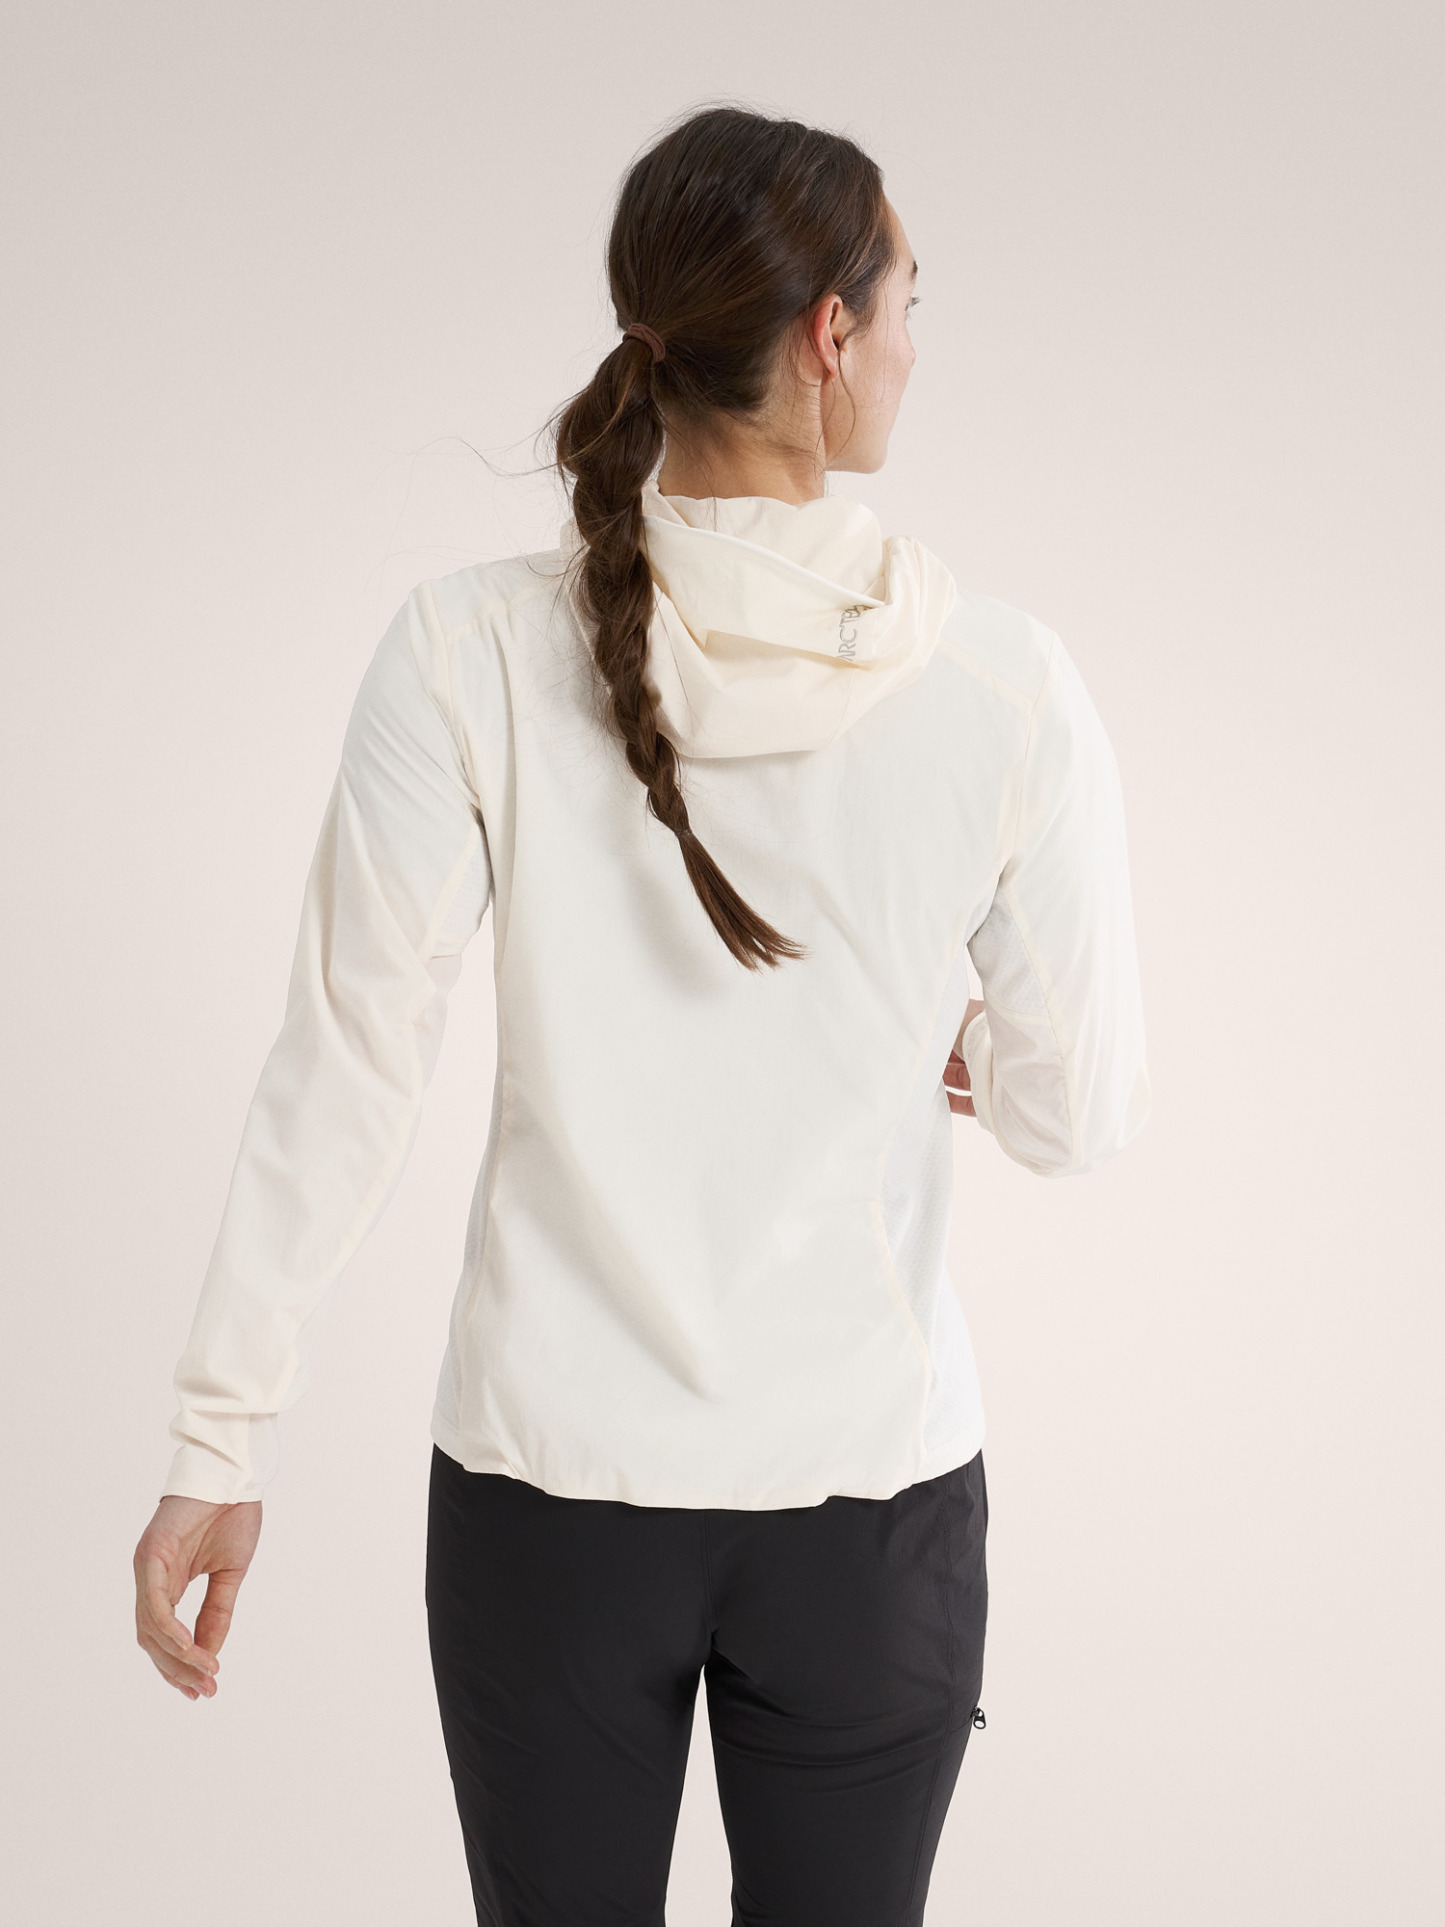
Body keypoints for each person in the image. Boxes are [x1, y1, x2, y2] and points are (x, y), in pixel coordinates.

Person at [132, 102, 1150, 1926]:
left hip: (545, 1492)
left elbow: (346, 1068)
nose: (914, 346)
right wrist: (963, 1048)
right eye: (909, 303)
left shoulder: (459, 648)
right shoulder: (1004, 685)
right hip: (871, 1508)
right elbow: (1076, 1116)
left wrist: (221, 1440)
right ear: (829, 335)